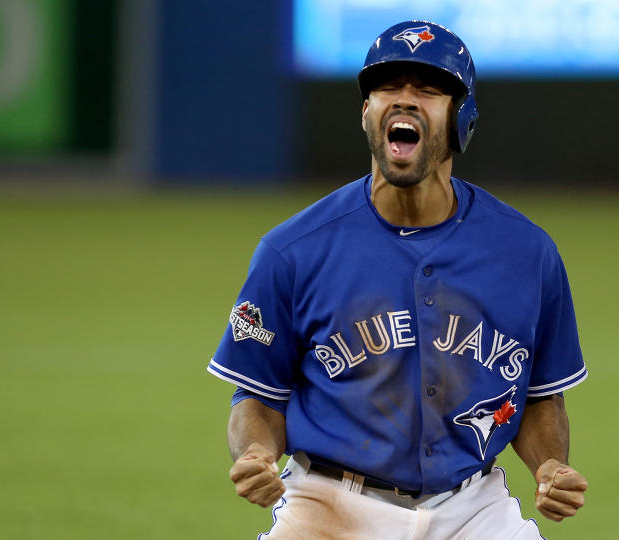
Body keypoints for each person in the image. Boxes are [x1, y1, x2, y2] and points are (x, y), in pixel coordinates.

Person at [206, 20, 589, 539]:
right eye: (387, 87)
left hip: (474, 507)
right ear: (367, 112)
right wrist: (255, 451)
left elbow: (541, 395)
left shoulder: (526, 252)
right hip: (331, 506)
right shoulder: (292, 252)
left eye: (428, 90)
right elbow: (257, 395)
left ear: (461, 117)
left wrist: (550, 465)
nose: (404, 100)